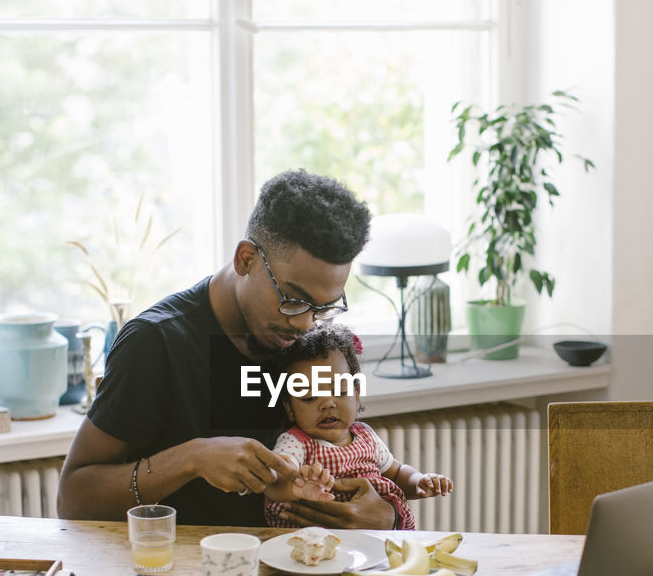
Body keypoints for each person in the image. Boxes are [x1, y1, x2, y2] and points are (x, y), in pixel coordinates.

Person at [57, 170, 398, 530]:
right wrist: (192, 458)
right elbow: (73, 498)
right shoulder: (157, 343)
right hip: (196, 574)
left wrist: (386, 515)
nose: (303, 324)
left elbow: (354, 461)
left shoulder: (305, 341)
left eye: (322, 308)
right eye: (293, 300)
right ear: (245, 259)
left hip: (309, 568)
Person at [260, 325, 453, 529]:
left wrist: (419, 481)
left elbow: (396, 473)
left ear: (357, 394)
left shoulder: (366, 436)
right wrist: (297, 485)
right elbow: (275, 481)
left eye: (340, 391)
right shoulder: (295, 442)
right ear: (290, 408)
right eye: (310, 397)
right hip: (316, 543)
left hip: (376, 539)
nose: (327, 404)